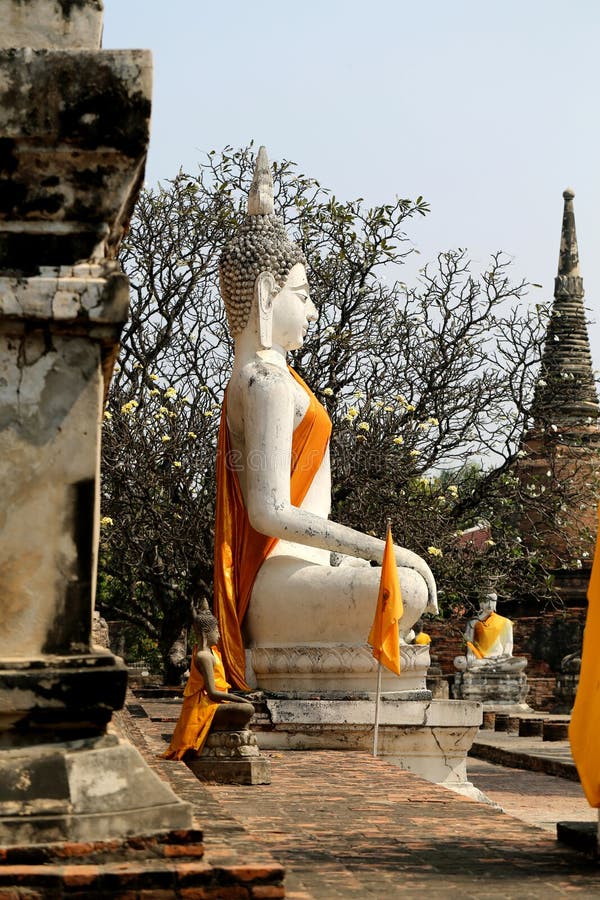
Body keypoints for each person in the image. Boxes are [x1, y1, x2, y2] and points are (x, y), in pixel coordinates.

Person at [214, 147, 438, 689]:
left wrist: (354, 561)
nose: (313, 310)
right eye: (304, 293)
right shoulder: (264, 381)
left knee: (396, 585)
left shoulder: (271, 377)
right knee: (402, 585)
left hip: (301, 573)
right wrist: (385, 550)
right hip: (275, 582)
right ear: (267, 295)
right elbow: (269, 514)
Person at [162, 601, 255, 760]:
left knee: (246, 709)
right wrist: (239, 698)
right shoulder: (203, 656)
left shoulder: (212, 653)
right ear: (206, 633)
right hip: (204, 707)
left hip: (214, 704)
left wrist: (240, 697)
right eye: (216, 630)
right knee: (246, 710)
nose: (219, 634)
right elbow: (212, 693)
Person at [454, 593, 526, 672]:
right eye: (486, 601)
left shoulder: (505, 622)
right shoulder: (473, 622)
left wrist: (505, 655)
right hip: (480, 659)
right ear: (480, 603)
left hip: (499, 659)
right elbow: (468, 641)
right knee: (459, 661)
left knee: (522, 662)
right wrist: (470, 654)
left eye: (492, 601)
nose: (489, 604)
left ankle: (483, 669)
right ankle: (493, 669)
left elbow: (508, 645)